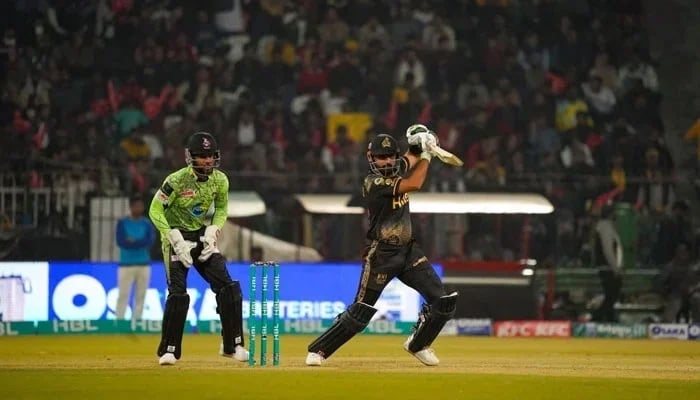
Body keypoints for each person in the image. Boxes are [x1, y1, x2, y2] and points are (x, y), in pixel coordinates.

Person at [305, 126, 458, 367]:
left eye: (390, 156)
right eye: (381, 157)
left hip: (409, 252)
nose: (386, 161)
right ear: (371, 158)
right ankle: (319, 351)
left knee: (444, 302)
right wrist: (428, 155)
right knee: (360, 312)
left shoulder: (397, 166)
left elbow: (410, 156)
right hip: (381, 255)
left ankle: (418, 344)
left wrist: (422, 140)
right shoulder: (372, 183)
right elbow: (415, 184)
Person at [149, 131, 248, 366]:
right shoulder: (176, 181)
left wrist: (214, 231)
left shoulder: (220, 180)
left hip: (200, 235)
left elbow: (222, 209)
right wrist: (172, 236)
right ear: (190, 157)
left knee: (229, 288)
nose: (206, 161)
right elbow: (155, 210)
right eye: (201, 156)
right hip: (175, 238)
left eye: (210, 156)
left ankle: (232, 345)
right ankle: (169, 349)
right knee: (178, 294)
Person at [115, 194, 155, 321]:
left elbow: (149, 241)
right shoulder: (122, 223)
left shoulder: (146, 224)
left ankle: (137, 320)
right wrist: (139, 242)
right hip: (126, 264)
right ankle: (119, 320)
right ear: (131, 207)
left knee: (141, 295)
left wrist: (133, 241)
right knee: (123, 294)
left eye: (140, 206)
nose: (139, 208)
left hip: (143, 264)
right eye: (136, 206)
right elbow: (121, 241)